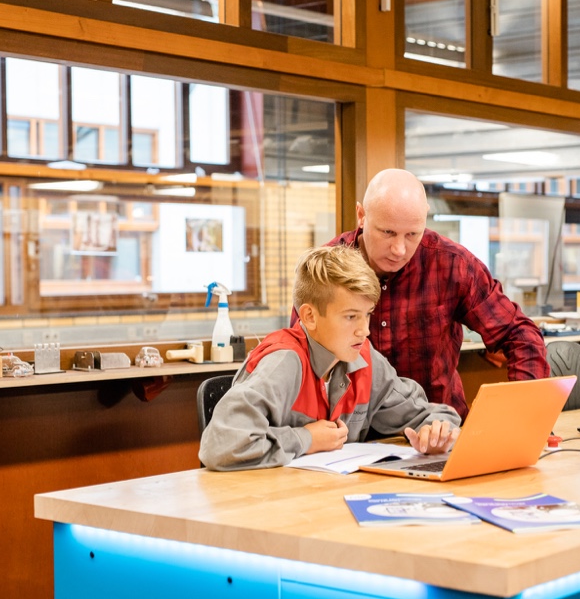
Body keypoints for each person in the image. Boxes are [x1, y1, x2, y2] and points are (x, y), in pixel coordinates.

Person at [306, 168, 549, 419]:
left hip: (438, 427)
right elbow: (303, 353)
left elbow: (520, 334)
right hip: (352, 435)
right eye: (387, 232)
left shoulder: (452, 264)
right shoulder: (326, 272)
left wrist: (524, 414)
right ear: (361, 215)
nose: (399, 249)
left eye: (412, 234)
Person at [200, 245, 461, 471]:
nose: (365, 329)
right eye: (350, 317)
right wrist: (306, 439)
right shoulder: (284, 362)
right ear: (310, 317)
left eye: (367, 314)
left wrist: (437, 433)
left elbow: (427, 415)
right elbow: (220, 446)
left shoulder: (364, 358)